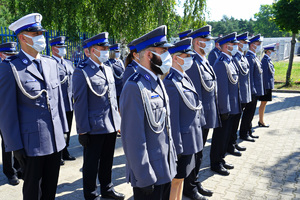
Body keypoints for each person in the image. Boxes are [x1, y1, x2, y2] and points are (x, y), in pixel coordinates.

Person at [0, 13, 68, 200]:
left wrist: (63, 131)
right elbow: (7, 112)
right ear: (22, 37)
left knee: (50, 190)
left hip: (54, 140)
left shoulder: (50, 63)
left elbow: (58, 101)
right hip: (31, 145)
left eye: (41, 33)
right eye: (35, 33)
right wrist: (14, 146)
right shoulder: (10, 67)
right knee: (32, 192)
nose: (41, 38)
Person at [120, 25, 177, 200]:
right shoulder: (134, 86)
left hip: (164, 168)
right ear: (149, 55)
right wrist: (144, 176)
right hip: (149, 173)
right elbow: (133, 139)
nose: (168, 56)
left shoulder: (157, 80)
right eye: (163, 51)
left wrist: (172, 162)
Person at [72, 32, 125, 200]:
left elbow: (112, 99)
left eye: (106, 48)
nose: (105, 51)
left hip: (110, 124)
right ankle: (91, 194)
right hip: (93, 127)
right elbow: (80, 103)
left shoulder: (108, 69)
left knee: (108, 161)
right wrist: (82, 131)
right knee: (91, 165)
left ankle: (107, 188)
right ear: (91, 51)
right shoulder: (82, 72)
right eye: (102, 48)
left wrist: (117, 122)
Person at [164, 38, 206, 200]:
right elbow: (172, 119)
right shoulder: (170, 82)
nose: (190, 59)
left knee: (181, 178)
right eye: (186, 56)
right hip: (182, 142)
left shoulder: (184, 76)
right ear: (175, 58)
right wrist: (177, 148)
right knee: (176, 180)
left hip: (191, 139)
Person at [185, 25, 218, 197]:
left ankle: (194, 182)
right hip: (198, 119)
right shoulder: (193, 63)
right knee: (194, 154)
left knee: (199, 153)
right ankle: (189, 187)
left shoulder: (203, 60)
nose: (209, 44)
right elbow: (193, 98)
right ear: (197, 42)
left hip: (206, 116)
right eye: (206, 41)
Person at [211, 32, 241, 176]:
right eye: (233, 44)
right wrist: (224, 109)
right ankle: (216, 163)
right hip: (225, 108)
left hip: (232, 106)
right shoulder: (221, 63)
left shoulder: (229, 61)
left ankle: (221, 159)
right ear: (226, 46)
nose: (236, 46)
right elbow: (222, 89)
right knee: (220, 137)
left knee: (226, 136)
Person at [49, 36, 76, 165]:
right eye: (61, 47)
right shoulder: (50, 64)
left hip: (69, 102)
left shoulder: (68, 63)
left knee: (68, 129)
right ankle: (58, 154)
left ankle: (65, 151)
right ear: (54, 49)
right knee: (58, 130)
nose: (63, 50)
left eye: (64, 47)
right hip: (58, 103)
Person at [227, 32, 252, 156]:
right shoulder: (235, 57)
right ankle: (230, 144)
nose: (245, 45)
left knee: (236, 122)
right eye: (243, 43)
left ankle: (233, 142)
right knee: (232, 124)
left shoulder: (241, 56)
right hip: (237, 95)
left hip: (242, 94)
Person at [0, 42, 20, 185]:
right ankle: (9, 172)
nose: (12, 57)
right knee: (6, 142)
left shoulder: (16, 67)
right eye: (9, 54)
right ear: (1, 54)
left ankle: (17, 169)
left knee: (14, 140)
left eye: (14, 54)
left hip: (13, 110)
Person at [239, 34, 264, 142]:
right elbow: (248, 77)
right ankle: (244, 133)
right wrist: (252, 91)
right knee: (248, 113)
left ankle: (248, 131)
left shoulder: (253, 56)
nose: (259, 46)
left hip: (255, 90)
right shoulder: (249, 57)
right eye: (257, 44)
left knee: (251, 113)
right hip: (251, 90)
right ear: (252, 45)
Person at [258, 43, 276, 127]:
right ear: (268, 51)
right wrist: (265, 87)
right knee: (263, 103)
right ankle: (261, 121)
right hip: (266, 86)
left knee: (264, 103)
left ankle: (261, 120)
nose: (273, 52)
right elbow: (264, 75)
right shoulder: (265, 60)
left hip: (268, 85)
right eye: (272, 51)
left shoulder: (268, 59)